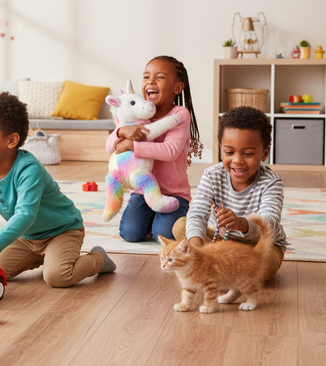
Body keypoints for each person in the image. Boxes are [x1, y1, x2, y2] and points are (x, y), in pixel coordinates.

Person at [0, 92, 116, 288]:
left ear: (11, 141)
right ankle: (42, 258)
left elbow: (25, 214)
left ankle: (98, 259)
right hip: (27, 237)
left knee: (57, 277)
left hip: (62, 231)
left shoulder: (29, 169)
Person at [172, 106, 288, 280]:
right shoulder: (212, 175)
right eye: (229, 152)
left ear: (264, 153)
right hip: (219, 243)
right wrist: (197, 250)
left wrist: (241, 223)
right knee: (180, 226)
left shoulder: (271, 183)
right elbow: (197, 214)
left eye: (248, 153)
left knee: (267, 264)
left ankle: (221, 270)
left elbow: (269, 223)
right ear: (221, 149)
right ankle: (216, 266)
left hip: (258, 246)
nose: (237, 160)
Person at [106, 55, 202, 243]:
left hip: (173, 193)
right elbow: (110, 147)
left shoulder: (179, 115)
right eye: (146, 76)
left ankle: (177, 219)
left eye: (159, 77)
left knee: (164, 235)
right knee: (130, 234)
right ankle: (151, 218)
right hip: (142, 190)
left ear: (178, 88)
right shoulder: (136, 115)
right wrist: (121, 132)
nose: (150, 81)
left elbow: (170, 150)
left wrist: (133, 145)